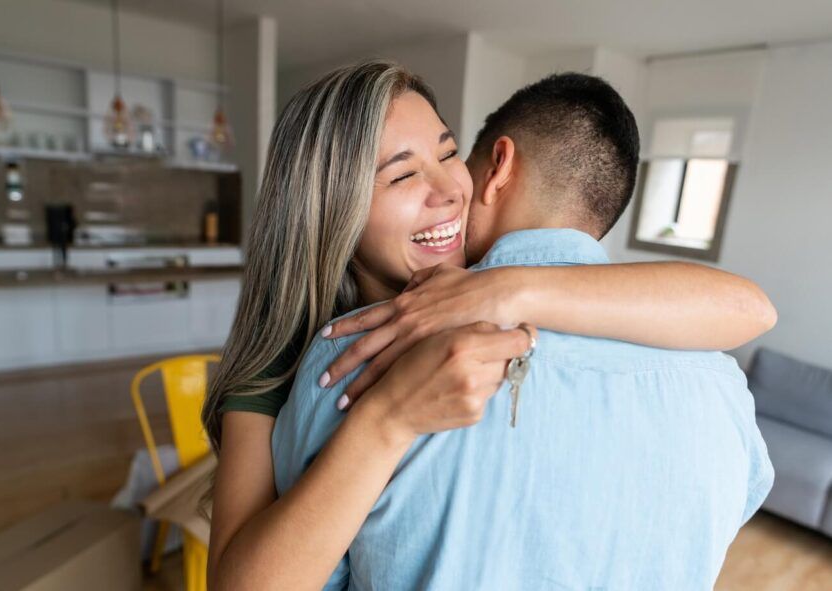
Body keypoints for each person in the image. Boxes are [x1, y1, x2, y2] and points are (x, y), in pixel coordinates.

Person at [203, 62, 776, 590]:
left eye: (449, 153)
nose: (453, 189)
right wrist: (387, 416)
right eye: (402, 176)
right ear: (328, 208)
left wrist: (503, 287)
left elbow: (749, 309)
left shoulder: (509, 300)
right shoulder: (313, 364)